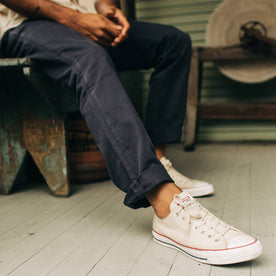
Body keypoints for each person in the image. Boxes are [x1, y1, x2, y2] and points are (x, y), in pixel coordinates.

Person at [0, 0, 262, 265]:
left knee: (174, 41)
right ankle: (163, 200)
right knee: (89, 56)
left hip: (89, 20)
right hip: (24, 24)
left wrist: (106, 7)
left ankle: (158, 161)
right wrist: (72, 18)